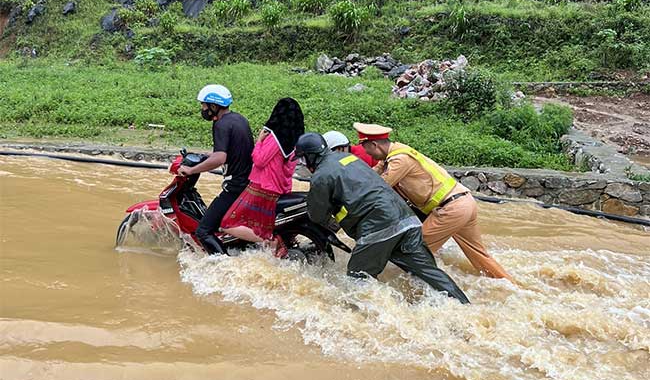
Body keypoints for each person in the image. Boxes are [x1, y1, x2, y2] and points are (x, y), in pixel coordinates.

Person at [294, 132, 469, 304]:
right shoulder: (350, 159)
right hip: (407, 220)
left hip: (378, 227)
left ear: (311, 156)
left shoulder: (321, 176)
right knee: (430, 273)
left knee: (357, 277)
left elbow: (317, 215)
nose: (302, 164)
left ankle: (370, 321)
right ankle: (464, 307)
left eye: (302, 159)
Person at [354, 122, 511, 280]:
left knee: (411, 251)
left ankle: (417, 296)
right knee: (480, 256)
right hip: (465, 202)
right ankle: (510, 286)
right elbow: (374, 173)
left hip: (450, 209)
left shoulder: (400, 161)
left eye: (366, 149)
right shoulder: (397, 153)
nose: (368, 155)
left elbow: (378, 188)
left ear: (374, 145)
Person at [221, 97, 305, 256]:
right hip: (281, 189)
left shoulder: (275, 138)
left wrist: (259, 141)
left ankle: (269, 241)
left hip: (262, 187)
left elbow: (259, 161)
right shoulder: (295, 140)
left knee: (228, 224)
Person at [179, 84, 253, 255]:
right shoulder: (239, 119)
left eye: (204, 105)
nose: (202, 109)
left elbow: (220, 158)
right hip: (248, 180)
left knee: (203, 231)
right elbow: (232, 149)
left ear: (214, 106)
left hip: (236, 186)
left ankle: (223, 266)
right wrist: (208, 155)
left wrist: (191, 170)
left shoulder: (220, 125)